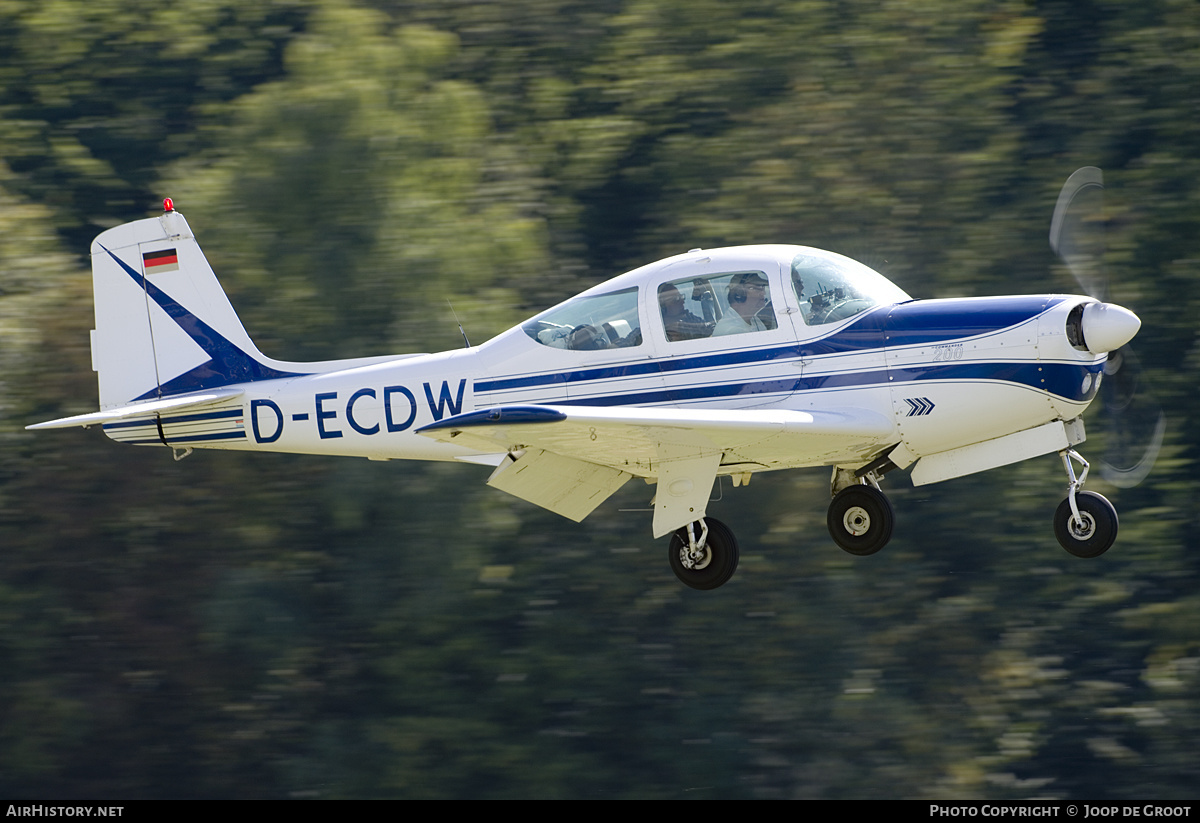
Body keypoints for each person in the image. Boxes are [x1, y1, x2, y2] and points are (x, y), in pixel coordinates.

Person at [713, 272, 777, 336]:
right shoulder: (732, 330)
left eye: (762, 288)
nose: (763, 293)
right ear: (739, 294)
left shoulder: (754, 320)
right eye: (755, 288)